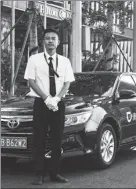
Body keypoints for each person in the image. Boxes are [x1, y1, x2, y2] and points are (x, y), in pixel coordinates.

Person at [24, 28, 75, 185]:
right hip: (41, 103)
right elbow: (30, 81)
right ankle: (39, 174)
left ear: (58, 42)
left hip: (58, 104)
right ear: (43, 41)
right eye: (47, 38)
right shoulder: (34, 59)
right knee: (39, 139)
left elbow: (67, 83)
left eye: (53, 38)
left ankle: (55, 173)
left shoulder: (65, 61)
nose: (50, 41)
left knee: (56, 140)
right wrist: (46, 98)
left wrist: (57, 98)